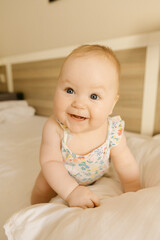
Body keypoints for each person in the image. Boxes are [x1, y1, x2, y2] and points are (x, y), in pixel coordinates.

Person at [31, 44, 141, 209]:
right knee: (42, 186)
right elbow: (50, 162)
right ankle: (34, 209)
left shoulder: (113, 131)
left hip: (94, 175)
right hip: (60, 174)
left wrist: (134, 191)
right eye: (69, 90)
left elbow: (126, 164)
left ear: (112, 104)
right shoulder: (55, 128)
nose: (79, 103)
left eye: (94, 96)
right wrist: (72, 191)